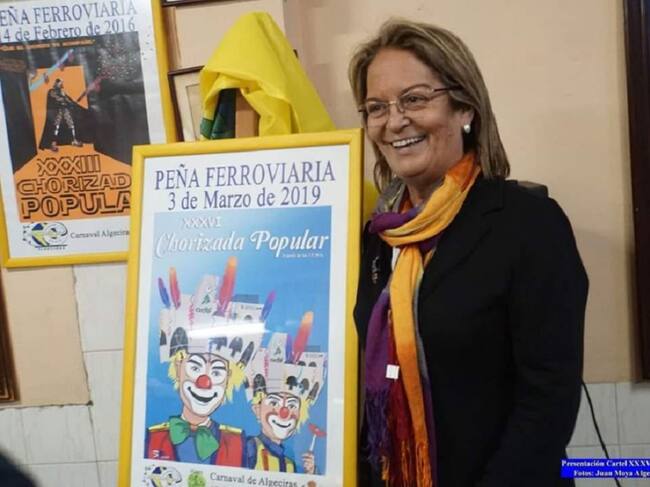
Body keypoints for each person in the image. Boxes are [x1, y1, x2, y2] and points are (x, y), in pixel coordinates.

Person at [350, 20, 588, 487]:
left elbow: (547, 404)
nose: (394, 122)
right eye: (377, 107)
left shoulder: (527, 225)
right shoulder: (378, 237)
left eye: (414, 99)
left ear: (464, 107)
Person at [146, 268, 263, 466]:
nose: (204, 382)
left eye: (217, 372)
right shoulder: (150, 439)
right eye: (195, 368)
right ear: (179, 367)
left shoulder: (241, 445)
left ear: (228, 379)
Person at [244, 331, 326, 473]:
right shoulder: (249, 449)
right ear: (257, 410)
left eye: (292, 405)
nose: (284, 412)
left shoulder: (289, 465)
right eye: (274, 403)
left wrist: (310, 472)